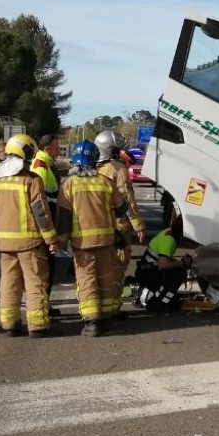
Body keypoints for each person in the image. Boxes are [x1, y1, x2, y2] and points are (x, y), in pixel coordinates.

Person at [0, 133, 58, 338]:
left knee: (9, 282)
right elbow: (41, 213)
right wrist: (51, 239)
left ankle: (9, 323)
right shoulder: (31, 180)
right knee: (35, 282)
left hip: (4, 245)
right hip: (30, 243)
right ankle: (37, 325)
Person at [55, 140, 130, 337]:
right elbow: (122, 207)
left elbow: (63, 217)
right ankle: (106, 317)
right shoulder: (105, 181)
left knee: (87, 280)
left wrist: (61, 241)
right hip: (106, 241)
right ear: (95, 159)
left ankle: (91, 322)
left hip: (82, 245)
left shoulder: (69, 185)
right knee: (106, 278)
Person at [94, 130, 146, 318]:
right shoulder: (118, 169)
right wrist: (138, 224)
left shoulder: (91, 167)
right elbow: (126, 200)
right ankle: (111, 309)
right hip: (117, 227)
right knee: (116, 268)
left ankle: (94, 308)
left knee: (95, 270)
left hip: (95, 228)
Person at [31, 134, 62, 314]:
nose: (59, 150)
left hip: (48, 220)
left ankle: (44, 304)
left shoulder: (48, 164)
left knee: (48, 267)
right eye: (57, 148)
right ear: (47, 148)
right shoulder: (40, 167)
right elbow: (40, 201)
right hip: (45, 223)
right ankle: (42, 306)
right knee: (45, 268)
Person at [135, 215, 192, 311]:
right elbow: (163, 265)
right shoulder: (169, 240)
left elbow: (162, 259)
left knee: (176, 301)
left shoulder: (168, 233)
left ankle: (158, 297)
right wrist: (182, 263)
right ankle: (158, 302)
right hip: (148, 273)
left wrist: (180, 262)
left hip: (146, 270)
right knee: (180, 273)